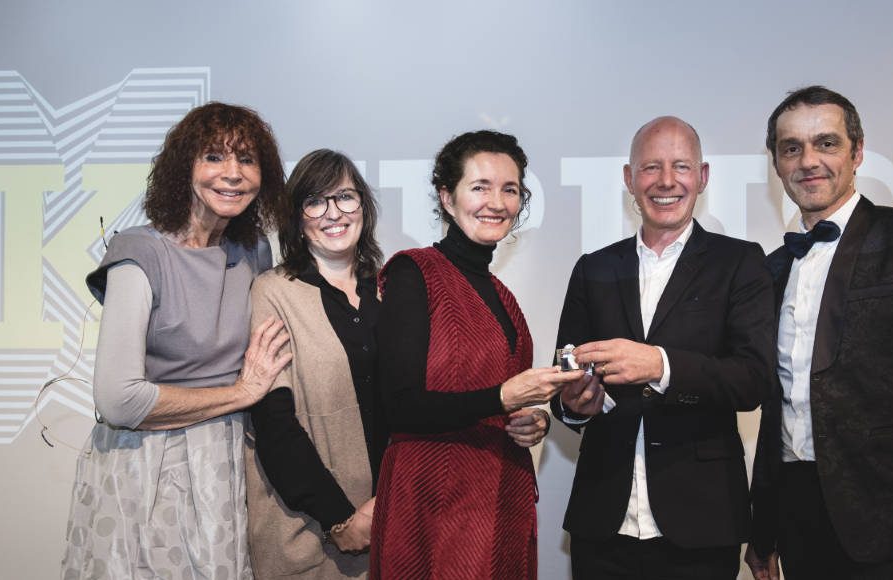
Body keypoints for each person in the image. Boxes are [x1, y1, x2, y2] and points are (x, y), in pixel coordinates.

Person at [745, 86, 893, 580]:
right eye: (792, 148)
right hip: (796, 520)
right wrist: (763, 528)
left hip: (890, 529)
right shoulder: (771, 269)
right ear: (776, 163)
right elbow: (777, 411)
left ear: (857, 152)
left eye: (826, 143)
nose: (809, 161)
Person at [61, 102, 291, 579]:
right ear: (184, 167)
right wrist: (242, 393)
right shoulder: (139, 252)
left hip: (228, 464)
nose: (232, 174)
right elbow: (119, 400)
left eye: (246, 160)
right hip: (144, 469)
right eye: (213, 157)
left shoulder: (254, 251)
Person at [551, 116, 776, 579]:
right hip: (603, 519)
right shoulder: (593, 268)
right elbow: (564, 383)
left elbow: (753, 380)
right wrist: (574, 404)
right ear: (629, 179)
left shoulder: (740, 262)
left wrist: (659, 365)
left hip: (703, 521)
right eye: (651, 167)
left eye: (681, 166)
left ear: (703, 176)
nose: (667, 181)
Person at [369, 130, 584, 579]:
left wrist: (531, 421)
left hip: (499, 500)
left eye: (510, 190)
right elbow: (400, 406)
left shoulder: (502, 295)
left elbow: (498, 399)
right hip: (432, 501)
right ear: (447, 198)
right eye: (480, 187)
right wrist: (501, 398)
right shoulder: (413, 272)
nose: (497, 202)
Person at [244, 149, 387, 579]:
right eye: (315, 201)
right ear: (297, 217)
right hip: (310, 532)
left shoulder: (392, 287)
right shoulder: (272, 292)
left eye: (345, 197)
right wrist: (339, 518)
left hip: (395, 524)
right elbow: (273, 425)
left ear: (363, 204)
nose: (333, 213)